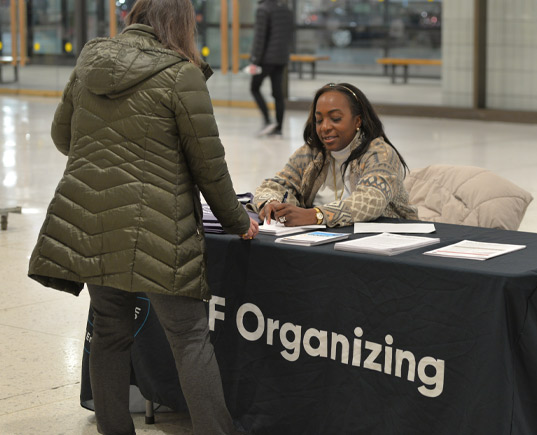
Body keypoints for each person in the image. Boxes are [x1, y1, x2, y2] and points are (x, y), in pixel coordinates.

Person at [27, 0, 258, 434]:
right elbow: (209, 164)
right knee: (189, 339)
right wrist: (238, 220)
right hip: (159, 229)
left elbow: (63, 137)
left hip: (94, 223)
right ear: (179, 23)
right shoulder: (180, 75)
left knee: (110, 333)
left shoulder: (88, 64)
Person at [249, 82, 418, 227]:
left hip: (388, 240)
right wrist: (271, 203)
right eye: (319, 120)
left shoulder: (379, 154)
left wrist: (316, 215)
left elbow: (369, 202)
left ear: (357, 121)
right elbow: (272, 186)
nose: (325, 127)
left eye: (335, 118)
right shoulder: (311, 153)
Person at [248, 0, 294, 137]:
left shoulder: (263, 9)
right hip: (281, 58)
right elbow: (289, 35)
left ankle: (268, 121)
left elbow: (260, 38)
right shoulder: (286, 10)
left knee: (254, 88)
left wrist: (254, 60)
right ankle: (278, 129)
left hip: (265, 60)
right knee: (278, 93)